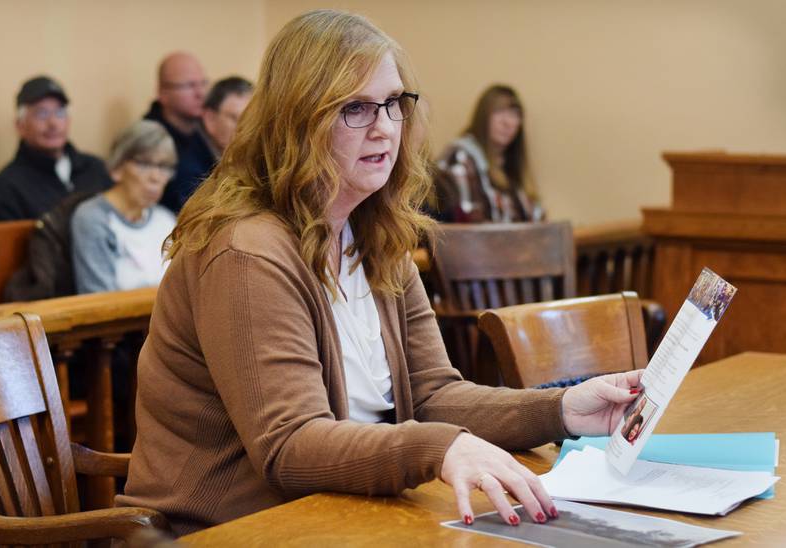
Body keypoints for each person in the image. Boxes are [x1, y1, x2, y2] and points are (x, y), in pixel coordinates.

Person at [117, 10, 643, 535]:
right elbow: (290, 445)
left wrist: (564, 409)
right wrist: (439, 447)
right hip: (223, 530)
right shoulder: (247, 251)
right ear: (297, 118)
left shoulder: (375, 234)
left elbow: (433, 395)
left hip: (340, 512)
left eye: (393, 103)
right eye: (356, 108)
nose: (384, 128)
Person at [70, 120, 177, 294]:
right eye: (145, 164)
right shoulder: (92, 218)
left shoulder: (166, 219)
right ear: (117, 167)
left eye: (163, 166)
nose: (156, 177)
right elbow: (99, 300)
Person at [0, 76, 112, 221]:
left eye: (60, 113)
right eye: (42, 114)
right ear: (20, 125)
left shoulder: (96, 168)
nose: (53, 123)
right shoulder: (7, 186)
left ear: (69, 121)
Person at [432, 84, 543, 223]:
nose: (507, 122)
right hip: (473, 244)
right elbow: (466, 223)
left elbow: (536, 218)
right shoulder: (460, 157)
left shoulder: (511, 165)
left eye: (514, 114)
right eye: (499, 112)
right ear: (484, 116)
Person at [144, 52, 214, 213]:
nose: (200, 93)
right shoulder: (149, 139)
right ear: (163, 93)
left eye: (203, 83)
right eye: (189, 85)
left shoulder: (206, 127)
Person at [200, 76, 253, 159]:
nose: (247, 129)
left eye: (252, 120)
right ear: (210, 119)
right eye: (237, 119)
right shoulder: (192, 168)